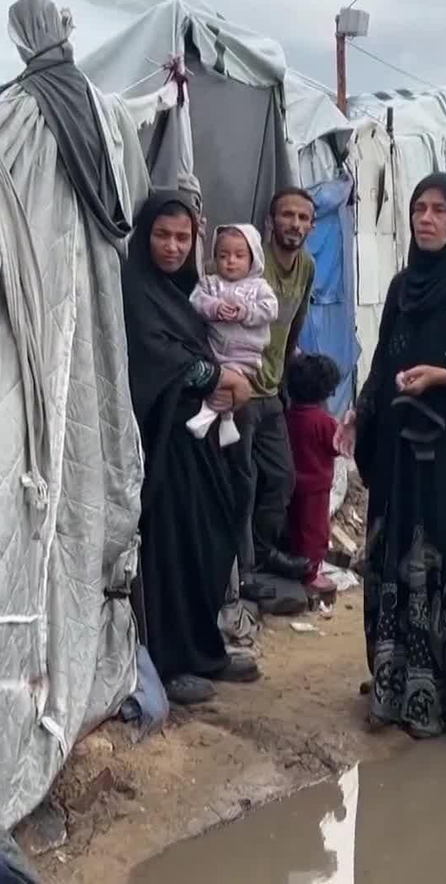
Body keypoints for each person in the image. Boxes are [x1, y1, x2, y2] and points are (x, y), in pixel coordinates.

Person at [336, 172, 446, 739]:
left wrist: (445, 377)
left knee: (445, 563)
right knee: (395, 556)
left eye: (439, 210)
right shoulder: (400, 288)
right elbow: (385, 357)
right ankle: (396, 684)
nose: (427, 219)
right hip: (400, 456)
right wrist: (361, 410)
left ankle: (444, 696)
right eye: (419, 208)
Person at [122, 191, 260, 705]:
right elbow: (153, 357)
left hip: (204, 442)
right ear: (145, 236)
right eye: (163, 235)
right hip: (165, 445)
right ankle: (172, 659)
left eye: (183, 237)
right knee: (174, 548)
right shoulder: (136, 289)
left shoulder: (190, 292)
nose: (173, 247)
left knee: (211, 538)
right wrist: (215, 375)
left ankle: (205, 649)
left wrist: (229, 377)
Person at [235, 188, 319, 584]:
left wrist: (285, 374)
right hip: (241, 390)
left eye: (303, 218)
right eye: (288, 216)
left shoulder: (307, 267)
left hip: (271, 390)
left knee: (282, 477)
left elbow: (296, 323)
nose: (295, 224)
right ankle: (239, 568)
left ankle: (263, 553)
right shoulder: (252, 262)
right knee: (242, 482)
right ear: (271, 222)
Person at [187, 225, 279, 446]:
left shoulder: (259, 287)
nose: (231, 261)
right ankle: (226, 424)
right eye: (223, 255)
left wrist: (246, 311)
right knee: (216, 381)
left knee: (224, 385)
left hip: (243, 355)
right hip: (214, 349)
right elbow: (195, 300)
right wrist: (214, 307)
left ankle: (206, 417)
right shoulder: (210, 283)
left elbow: (271, 309)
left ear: (253, 258)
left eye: (239, 255)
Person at [283, 353, 344, 600]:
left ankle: (296, 567)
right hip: (317, 488)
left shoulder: (287, 416)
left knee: (296, 529)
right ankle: (310, 576)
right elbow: (338, 446)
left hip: (292, 485)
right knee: (315, 533)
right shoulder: (323, 422)